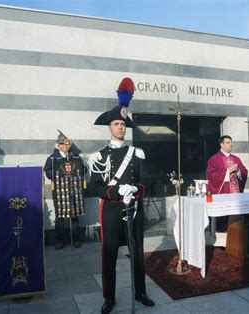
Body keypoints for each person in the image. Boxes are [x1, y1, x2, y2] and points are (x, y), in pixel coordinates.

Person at [89, 78, 154, 313]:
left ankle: (140, 291)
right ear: (109, 127)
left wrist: (136, 189)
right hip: (112, 211)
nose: (120, 127)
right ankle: (109, 297)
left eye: (123, 124)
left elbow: (148, 180)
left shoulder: (137, 153)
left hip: (134, 209)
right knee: (109, 254)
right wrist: (117, 191)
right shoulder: (98, 156)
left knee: (137, 253)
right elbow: (94, 187)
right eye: (116, 124)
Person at [44, 131, 85, 250]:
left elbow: (83, 170)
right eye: (64, 144)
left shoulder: (75, 157)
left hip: (74, 190)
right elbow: (47, 171)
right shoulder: (52, 158)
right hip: (59, 191)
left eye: (68, 144)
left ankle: (76, 239)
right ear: (59, 145)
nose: (67, 146)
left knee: (75, 215)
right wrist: (58, 173)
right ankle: (59, 240)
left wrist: (81, 169)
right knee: (60, 216)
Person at [206, 135, 248, 231]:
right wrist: (227, 171)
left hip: (236, 195)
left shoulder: (236, 159)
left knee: (236, 219)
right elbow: (212, 176)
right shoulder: (214, 159)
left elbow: (244, 172)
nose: (231, 144)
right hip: (223, 195)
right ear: (221, 144)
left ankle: (236, 238)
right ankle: (221, 240)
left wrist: (239, 172)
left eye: (231, 142)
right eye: (228, 142)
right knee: (223, 220)